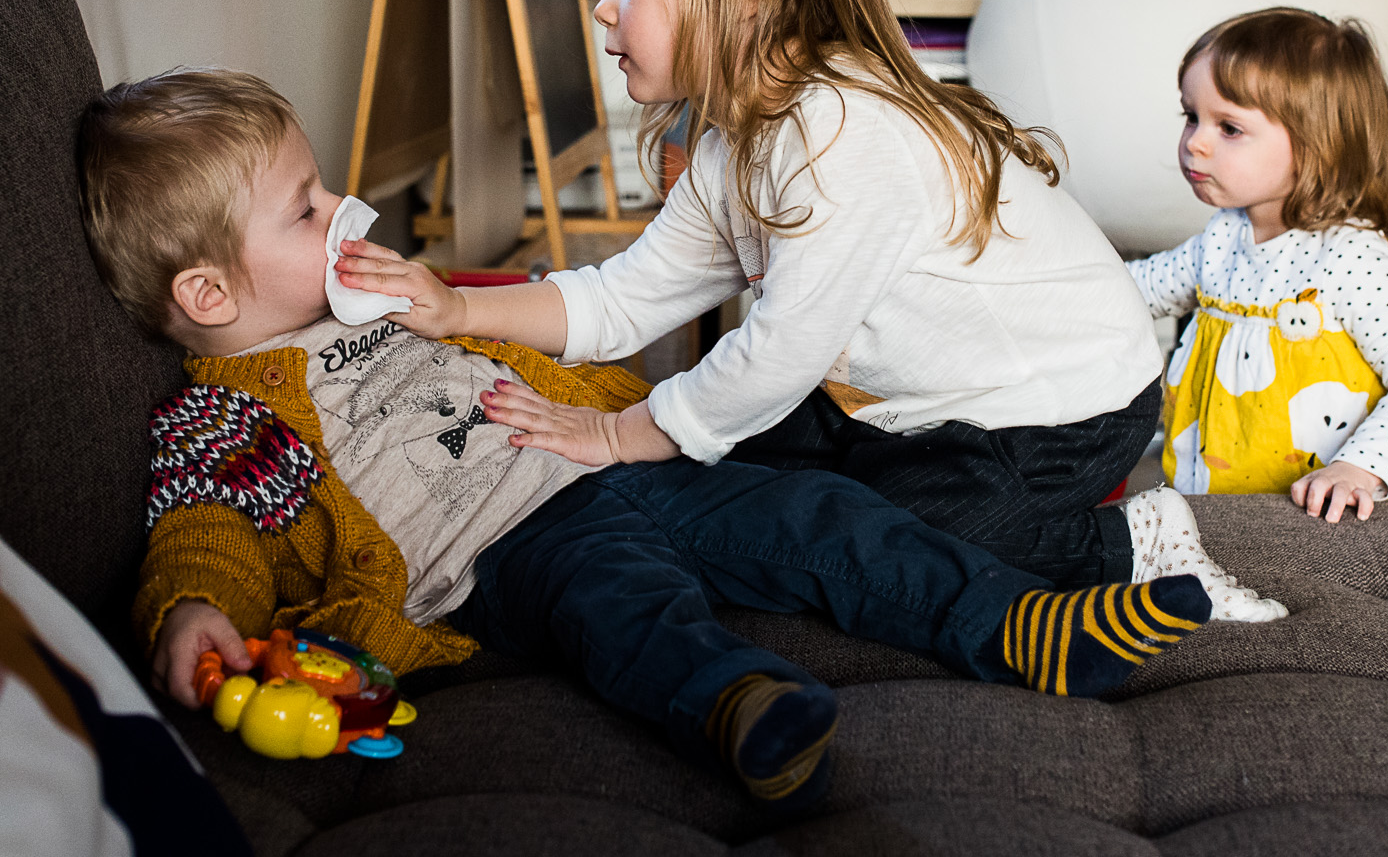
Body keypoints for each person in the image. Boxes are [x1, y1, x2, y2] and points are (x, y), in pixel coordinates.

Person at [81, 68, 1217, 814]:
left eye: (321, 188)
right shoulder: (221, 417)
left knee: (820, 516)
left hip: (604, 458)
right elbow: (204, 531)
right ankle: (738, 704)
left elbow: (553, 336)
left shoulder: (381, 305)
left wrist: (618, 400)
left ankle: (1017, 624)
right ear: (210, 294)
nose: (344, 212)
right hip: (502, 550)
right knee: (621, 604)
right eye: (305, 208)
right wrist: (195, 610)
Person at [338, 0, 1282, 618]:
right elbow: (625, 301)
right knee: (734, 492)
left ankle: (1128, 544)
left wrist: (621, 434)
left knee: (874, 546)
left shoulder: (844, 132)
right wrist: (457, 307)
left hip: (1058, 408)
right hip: (896, 401)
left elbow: (778, 350)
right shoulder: (732, 140)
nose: (600, 8)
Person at [1129, 9, 1388, 523]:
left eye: (1230, 127)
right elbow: (1134, 291)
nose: (1195, 141)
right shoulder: (1221, 239)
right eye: (1191, 116)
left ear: (1315, 148)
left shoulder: (1351, 258)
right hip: (1223, 501)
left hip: (1336, 513)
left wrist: (1359, 467)